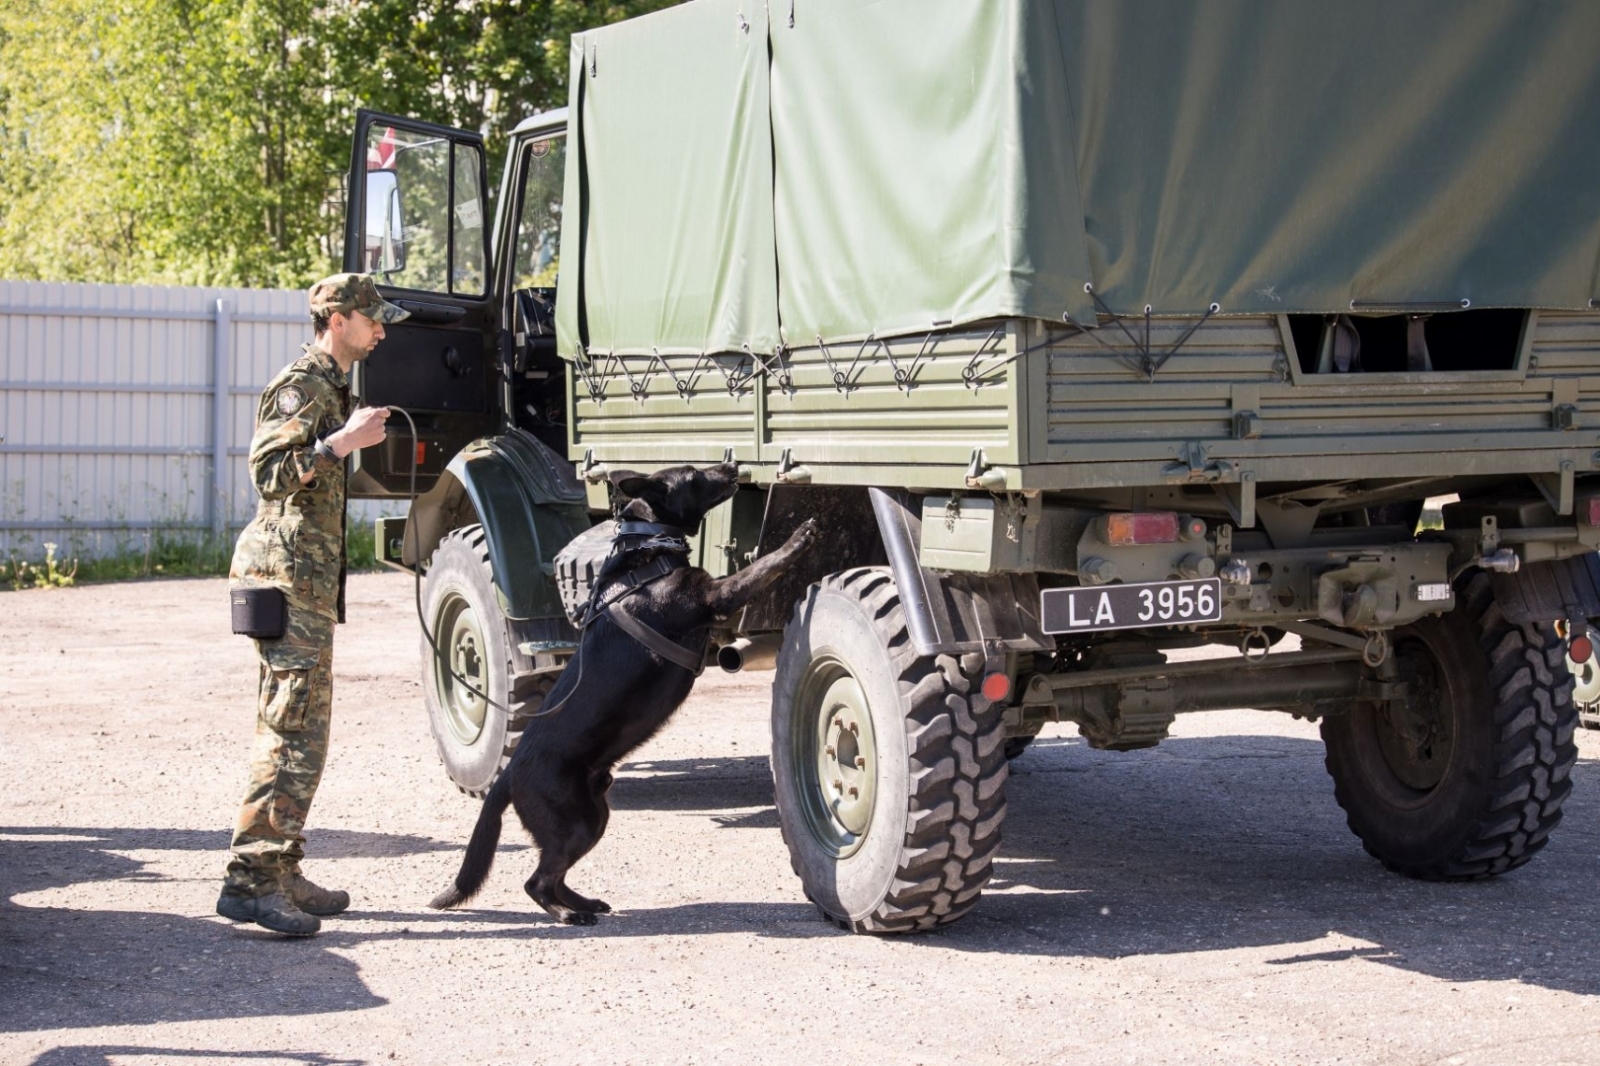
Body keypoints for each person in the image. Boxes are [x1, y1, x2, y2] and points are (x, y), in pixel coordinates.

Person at [215, 273, 407, 936]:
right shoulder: (304, 383)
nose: (381, 330)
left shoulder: (336, 385)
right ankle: (249, 883)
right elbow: (268, 473)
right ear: (338, 318)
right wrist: (340, 443)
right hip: (285, 581)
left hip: (308, 586)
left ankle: (283, 871)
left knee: (308, 735)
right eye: (373, 318)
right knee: (289, 733)